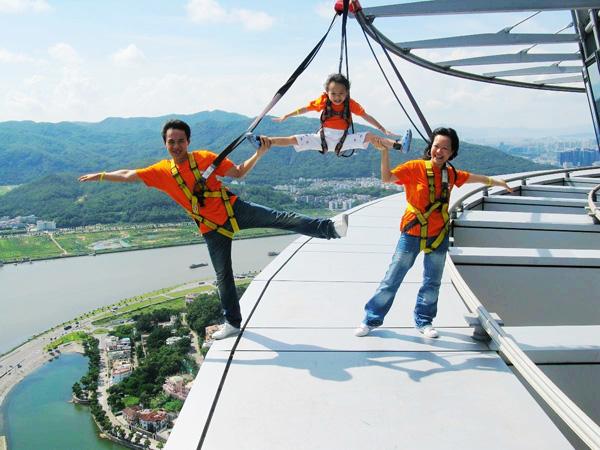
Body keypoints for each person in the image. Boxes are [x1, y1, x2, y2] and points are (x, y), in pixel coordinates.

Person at [78, 119, 348, 340]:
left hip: (233, 209)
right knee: (223, 275)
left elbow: (239, 173)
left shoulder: (205, 159)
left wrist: (260, 152)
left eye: (180, 141)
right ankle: (232, 322)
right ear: (165, 143)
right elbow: (128, 175)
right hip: (209, 226)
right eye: (171, 141)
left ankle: (330, 228)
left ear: (188, 142)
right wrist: (101, 175)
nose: (176, 146)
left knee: (280, 218)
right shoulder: (162, 171)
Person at [354, 127, 514, 339]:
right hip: (412, 232)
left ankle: (424, 321)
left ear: (451, 152)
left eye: (444, 148)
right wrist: (385, 151)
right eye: (436, 146)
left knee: (432, 281)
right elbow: (387, 178)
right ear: (431, 148)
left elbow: (475, 178)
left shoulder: (451, 174)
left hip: (438, 234)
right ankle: (370, 319)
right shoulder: (415, 167)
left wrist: (497, 182)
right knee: (393, 278)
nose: (439, 151)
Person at [246, 73, 412, 156]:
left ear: (347, 93)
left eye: (341, 93)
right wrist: (287, 116)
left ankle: (399, 145)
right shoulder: (324, 101)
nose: (337, 97)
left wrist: (382, 128)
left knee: (370, 136)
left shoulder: (350, 104)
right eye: (334, 93)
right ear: (327, 92)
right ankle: (262, 141)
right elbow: (306, 108)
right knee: (292, 139)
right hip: (323, 139)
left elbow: (365, 116)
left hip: (343, 139)